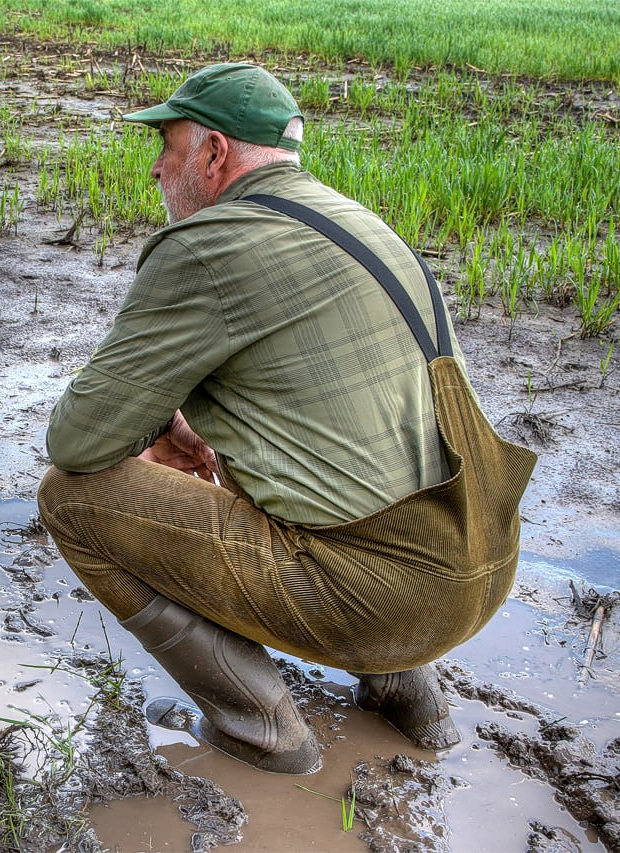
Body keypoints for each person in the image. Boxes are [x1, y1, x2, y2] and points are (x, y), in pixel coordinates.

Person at [37, 63, 536, 774]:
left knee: (68, 496)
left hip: (387, 600)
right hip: (483, 566)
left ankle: (262, 732)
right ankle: (410, 694)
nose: (155, 168)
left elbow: (78, 438)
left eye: (168, 147)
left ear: (213, 155)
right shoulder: (357, 221)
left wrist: (149, 423)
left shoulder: (209, 245)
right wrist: (184, 418)